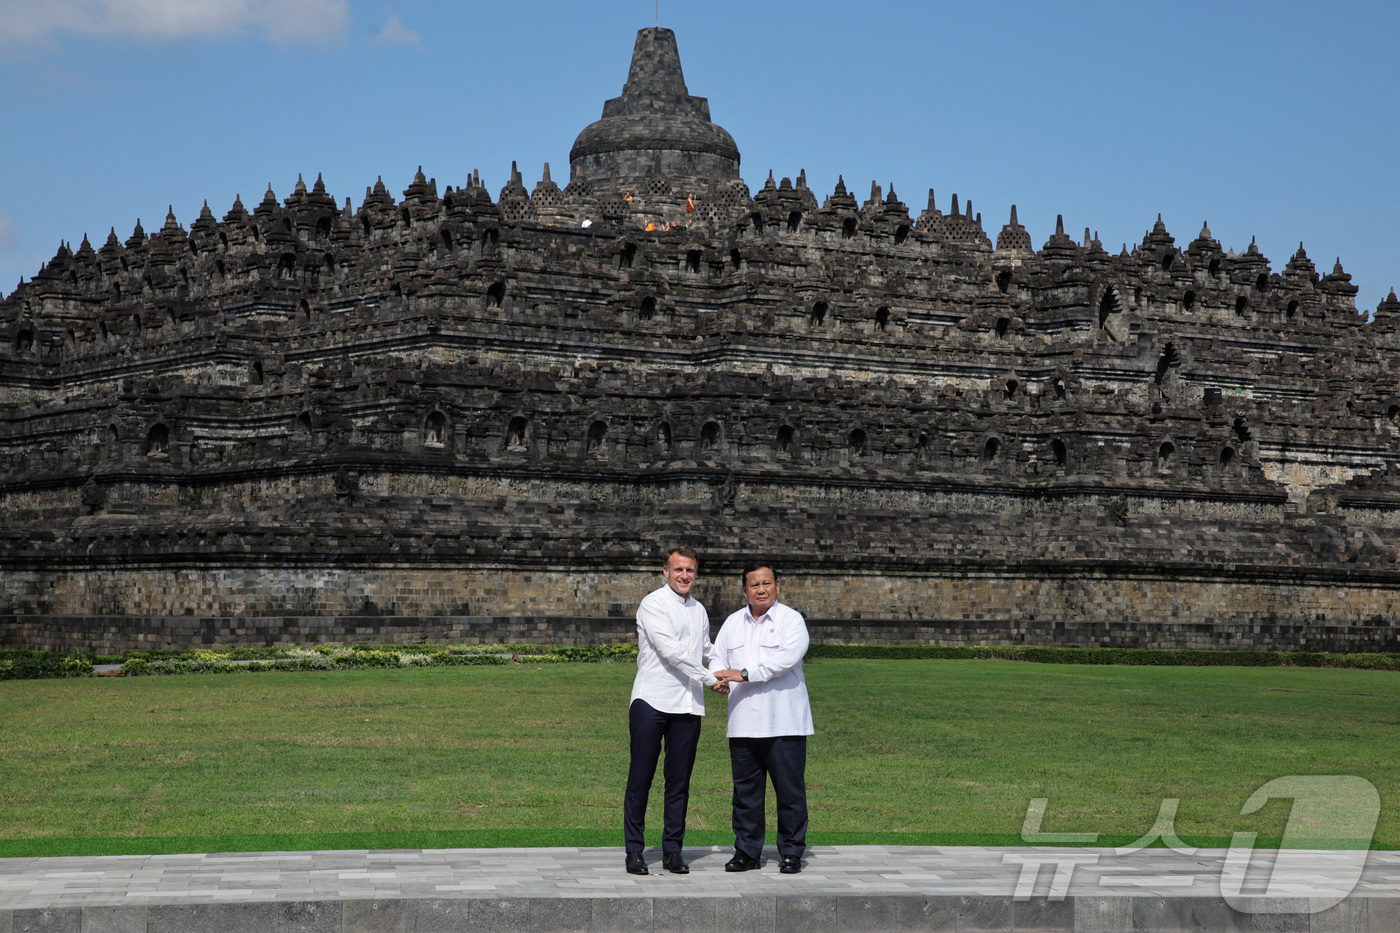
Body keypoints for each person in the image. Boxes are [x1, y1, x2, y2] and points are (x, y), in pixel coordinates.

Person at [710, 561, 813, 875]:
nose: (761, 590)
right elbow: (717, 655)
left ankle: (792, 851)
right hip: (743, 722)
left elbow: (785, 659)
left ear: (778, 586)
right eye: (754, 585)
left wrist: (742, 673)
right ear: (744, 590)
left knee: (790, 792)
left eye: (767, 583)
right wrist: (717, 678)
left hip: (784, 721)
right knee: (746, 793)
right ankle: (746, 851)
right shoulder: (732, 623)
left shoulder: (791, 620)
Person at [623, 545, 719, 875]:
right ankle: (634, 850)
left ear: (696, 574)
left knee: (678, 781)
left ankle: (672, 850)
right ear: (666, 571)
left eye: (690, 570)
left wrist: (734, 669)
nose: (684, 576)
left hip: (687, 705)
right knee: (641, 777)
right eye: (678, 570)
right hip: (651, 700)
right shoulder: (653, 604)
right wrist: (710, 679)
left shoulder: (699, 610)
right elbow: (672, 652)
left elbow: (707, 650)